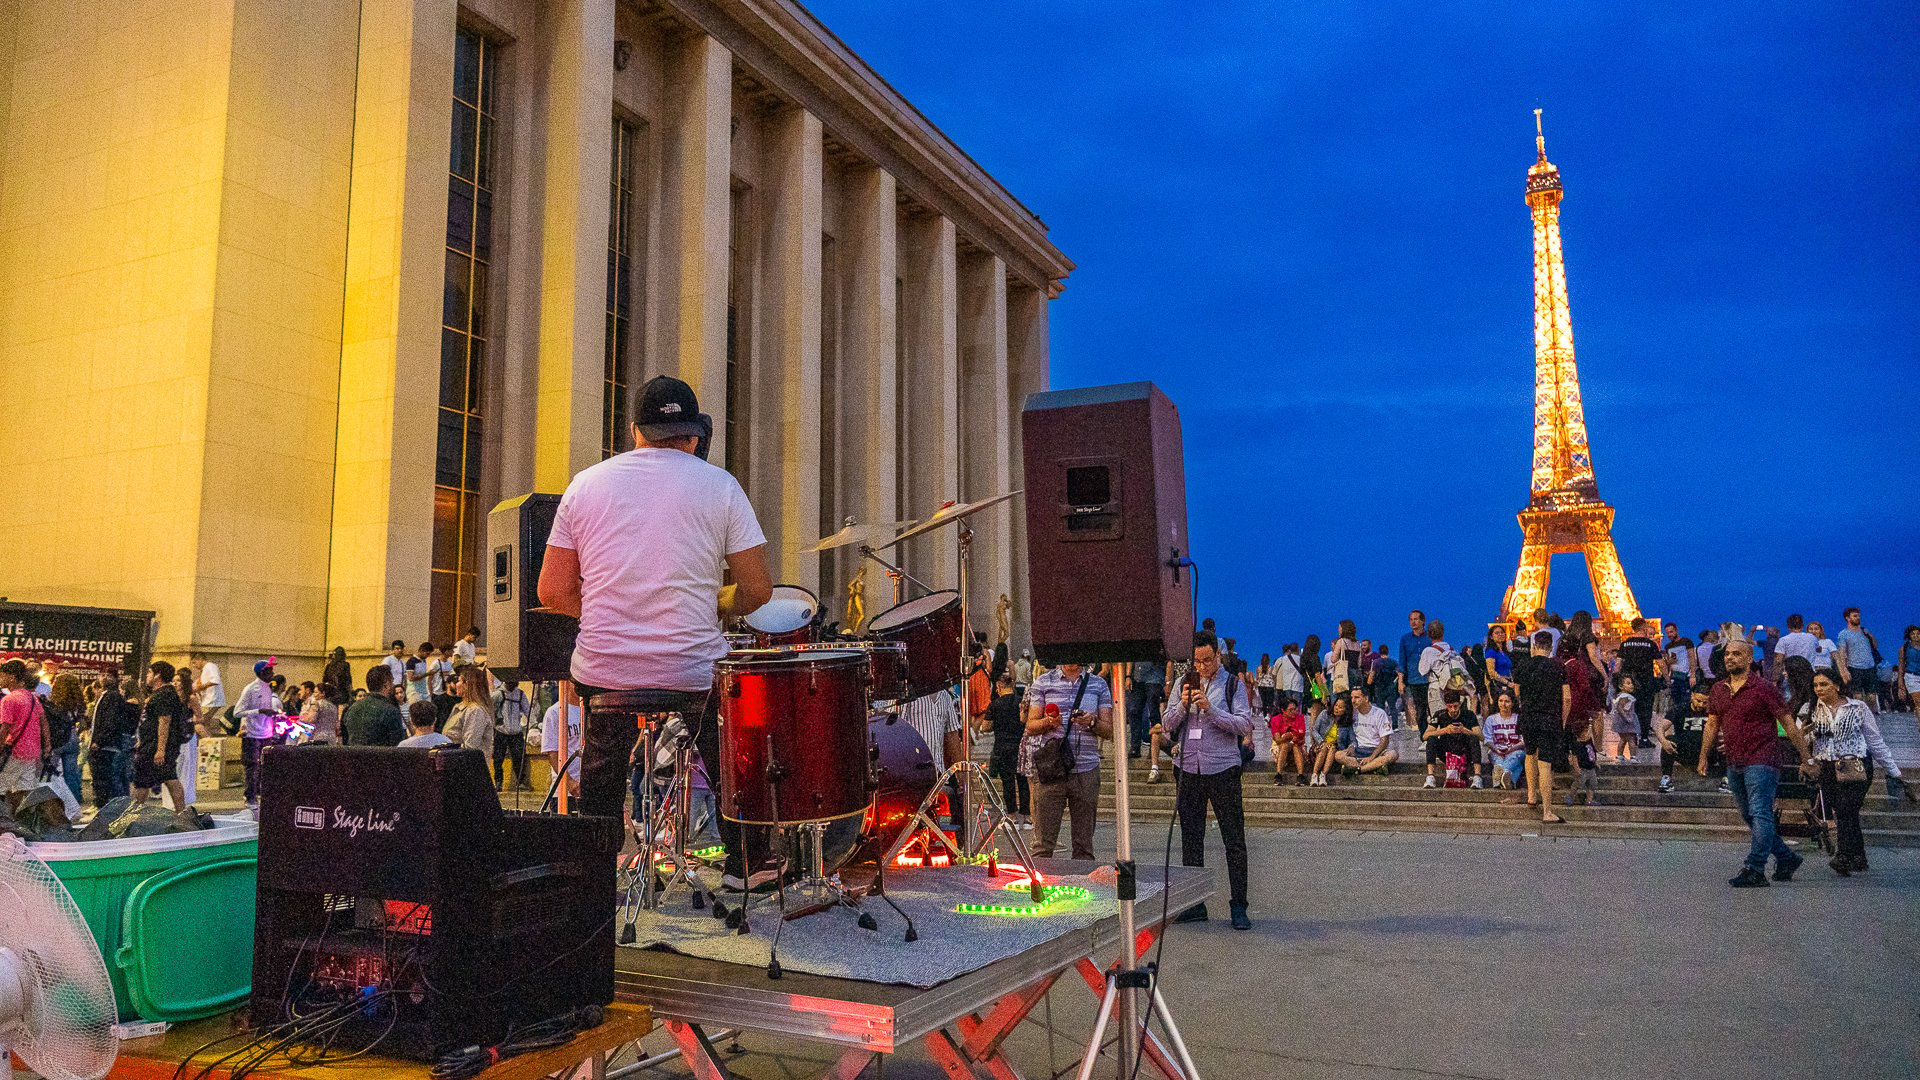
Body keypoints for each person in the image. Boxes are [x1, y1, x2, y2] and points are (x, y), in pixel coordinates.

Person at [536, 374, 773, 889]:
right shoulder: (720, 486)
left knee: (603, 748)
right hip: (690, 669)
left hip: (605, 667)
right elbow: (758, 590)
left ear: (634, 432)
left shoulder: (585, 483)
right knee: (727, 739)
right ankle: (746, 865)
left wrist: (603, 608)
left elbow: (550, 591)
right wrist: (715, 601)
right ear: (693, 436)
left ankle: (594, 866)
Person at [1700, 639, 1814, 887]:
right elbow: (1711, 724)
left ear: (1750, 659)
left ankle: (1755, 868)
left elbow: (1789, 726)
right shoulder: (1719, 689)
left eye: (1737, 654)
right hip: (1734, 759)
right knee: (1749, 815)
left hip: (1763, 758)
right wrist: (1703, 756)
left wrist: (1807, 758)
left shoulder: (1764, 688)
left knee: (1761, 812)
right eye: (1728, 654)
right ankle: (1786, 857)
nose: (1730, 658)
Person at [1165, 633, 1254, 929]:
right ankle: (1194, 904)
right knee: (1191, 838)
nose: (1202, 666)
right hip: (1189, 767)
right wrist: (1182, 706)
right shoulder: (1183, 683)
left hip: (1223, 768)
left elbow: (1244, 724)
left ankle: (1238, 906)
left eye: (1207, 659)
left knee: (1233, 839)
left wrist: (1210, 709)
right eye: (1197, 660)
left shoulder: (1233, 684)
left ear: (1218, 654)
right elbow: (1166, 724)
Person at [1024, 661, 1113, 861]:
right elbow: (1030, 725)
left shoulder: (1098, 684)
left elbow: (1110, 731)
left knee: (1084, 845)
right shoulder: (1043, 682)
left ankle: (1083, 887)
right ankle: (1039, 888)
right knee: (1043, 844)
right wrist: (1049, 722)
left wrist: (1092, 722)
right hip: (1052, 769)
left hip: (1086, 768)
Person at [1804, 669, 1872, 876]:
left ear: (1836, 685)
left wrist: (1893, 770)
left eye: (1823, 684)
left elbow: (1874, 739)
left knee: (1845, 808)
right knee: (1845, 811)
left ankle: (1843, 855)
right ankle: (1858, 856)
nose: (1819, 689)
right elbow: (1806, 740)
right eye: (1816, 685)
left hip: (1856, 765)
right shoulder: (1812, 709)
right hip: (1827, 767)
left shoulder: (1857, 707)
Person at [1513, 630, 1569, 823]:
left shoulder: (1523, 665)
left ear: (1534, 646)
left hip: (1528, 717)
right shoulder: (1558, 667)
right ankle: (1547, 812)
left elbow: (1517, 691)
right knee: (1545, 763)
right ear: (1551, 647)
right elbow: (1567, 697)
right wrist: (1562, 719)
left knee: (1530, 753)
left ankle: (1531, 796)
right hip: (1549, 718)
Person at [132, 661, 191, 811]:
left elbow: (164, 721)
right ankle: (180, 811)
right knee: (162, 778)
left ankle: (134, 813)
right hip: (150, 743)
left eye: (150, 673)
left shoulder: (165, 695)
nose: (147, 676)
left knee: (154, 779)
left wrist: (160, 749)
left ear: (158, 675)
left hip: (156, 746)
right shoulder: (160, 694)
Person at [981, 674, 1029, 822]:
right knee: (1023, 781)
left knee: (1007, 782)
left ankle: (1012, 815)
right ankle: (1027, 816)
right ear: (1012, 685)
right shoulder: (1020, 702)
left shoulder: (995, 704)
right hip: (1020, 746)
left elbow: (985, 727)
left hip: (1002, 747)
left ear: (998, 686)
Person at [235, 660, 280, 809]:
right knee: (252, 767)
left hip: (266, 733)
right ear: (262, 673)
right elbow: (238, 712)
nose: (272, 675)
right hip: (252, 734)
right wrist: (258, 712)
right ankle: (250, 797)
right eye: (270, 672)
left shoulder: (268, 689)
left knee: (265, 767)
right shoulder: (250, 689)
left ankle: (262, 795)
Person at [0, 660, 47, 795]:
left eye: (2, 676)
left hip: (15, 751)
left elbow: (5, 728)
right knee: (25, 790)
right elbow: (43, 723)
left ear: (12, 677)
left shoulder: (8, 700)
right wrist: (47, 747)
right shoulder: (32, 698)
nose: (1, 679)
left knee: (2, 787)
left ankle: (5, 816)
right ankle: (25, 815)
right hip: (32, 751)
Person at [87, 676, 137, 803]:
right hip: (115, 741)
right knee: (119, 774)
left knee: (112, 774)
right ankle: (119, 802)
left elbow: (110, 721)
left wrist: (99, 740)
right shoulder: (113, 697)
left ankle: (116, 803)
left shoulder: (112, 698)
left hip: (111, 742)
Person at [1615, 617, 1661, 747]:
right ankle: (1644, 739)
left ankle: (1632, 738)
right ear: (1643, 627)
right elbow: (1660, 663)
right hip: (1646, 682)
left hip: (1630, 683)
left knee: (1631, 710)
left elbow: (1618, 664)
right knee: (1645, 710)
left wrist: (1617, 681)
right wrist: (1666, 679)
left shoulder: (1625, 644)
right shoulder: (1650, 644)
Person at [1423, 689, 1482, 788]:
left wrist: (1464, 730)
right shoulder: (1439, 715)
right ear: (1446, 705)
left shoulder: (1469, 715)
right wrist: (1444, 730)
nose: (1453, 710)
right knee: (1431, 739)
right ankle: (1430, 776)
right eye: (1450, 707)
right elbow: (1425, 736)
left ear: (1459, 704)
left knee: (1474, 738)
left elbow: (1481, 737)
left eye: (1455, 706)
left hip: (1464, 750)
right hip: (1446, 750)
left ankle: (1477, 776)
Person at [1334, 685, 1397, 775]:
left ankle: (1359, 770)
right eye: (1352, 697)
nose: (1353, 701)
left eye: (1356, 697)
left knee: (1392, 754)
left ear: (1366, 698)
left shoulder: (1379, 713)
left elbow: (1385, 740)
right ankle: (1374, 767)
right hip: (1359, 750)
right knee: (1338, 755)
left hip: (1376, 750)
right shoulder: (1352, 714)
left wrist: (1372, 757)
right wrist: (1351, 746)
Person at [342, 665, 407, 747]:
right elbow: (397, 745)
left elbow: (345, 738)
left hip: (354, 758)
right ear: (386, 685)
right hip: (380, 758)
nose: (393, 686)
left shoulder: (352, 708)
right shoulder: (390, 711)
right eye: (392, 682)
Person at [443, 664, 495, 757]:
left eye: (458, 681)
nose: (456, 684)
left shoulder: (475, 711)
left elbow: (470, 747)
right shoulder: (460, 707)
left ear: (467, 684)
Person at [1482, 691, 1526, 791]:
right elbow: (1487, 739)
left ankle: (1499, 775)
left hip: (1516, 750)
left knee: (1514, 757)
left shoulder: (1518, 718)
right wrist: (1496, 749)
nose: (1503, 704)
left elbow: (1524, 740)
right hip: (1496, 751)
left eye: (1507, 701)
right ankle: (1508, 780)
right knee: (1517, 766)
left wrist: (1511, 749)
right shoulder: (1491, 719)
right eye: (1501, 701)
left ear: (1512, 703)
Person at [540, 695, 584, 796]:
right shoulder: (554, 712)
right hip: (565, 792)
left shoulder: (590, 709)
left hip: (589, 788)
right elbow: (552, 754)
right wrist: (569, 782)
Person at [1398, 610, 1432, 733]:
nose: (1413, 622)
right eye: (1411, 619)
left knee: (1433, 709)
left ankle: (1436, 736)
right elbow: (1402, 661)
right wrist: (1400, 681)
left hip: (1430, 678)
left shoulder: (1430, 637)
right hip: (1414, 679)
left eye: (1416, 619)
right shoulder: (1405, 639)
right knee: (1420, 710)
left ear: (1423, 621)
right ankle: (1424, 737)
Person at [1834, 607, 1880, 701]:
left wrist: (1871, 636)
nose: (1858, 618)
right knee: (1857, 697)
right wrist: (1844, 670)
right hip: (1854, 668)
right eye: (1855, 616)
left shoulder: (1864, 631)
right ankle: (1859, 715)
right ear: (1848, 618)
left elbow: (1875, 646)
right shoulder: (1843, 634)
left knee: (1872, 697)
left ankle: (1870, 715)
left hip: (1870, 667)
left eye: (1859, 616)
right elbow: (1842, 652)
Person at [494, 678, 531, 790]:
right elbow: (490, 710)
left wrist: (533, 725)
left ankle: (520, 782)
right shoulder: (497, 695)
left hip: (516, 731)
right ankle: (498, 782)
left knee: (519, 758)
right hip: (501, 731)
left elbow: (528, 711)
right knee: (498, 759)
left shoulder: (520, 694)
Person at [1125, 659, 1165, 760]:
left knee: (1153, 712)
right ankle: (1135, 747)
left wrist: (1168, 681)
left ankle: (1154, 748)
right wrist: (1128, 676)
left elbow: (1169, 660)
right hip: (1137, 677)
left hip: (1155, 675)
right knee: (1133, 710)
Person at [1270, 697, 1307, 785]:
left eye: (1295, 709)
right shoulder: (1276, 719)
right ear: (1283, 710)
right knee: (1285, 745)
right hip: (1280, 748)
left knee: (1295, 746)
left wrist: (1295, 739)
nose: (1294, 712)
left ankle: (1300, 775)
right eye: (1291, 710)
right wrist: (1286, 737)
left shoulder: (1300, 718)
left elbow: (1302, 738)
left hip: (1296, 747)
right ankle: (1278, 774)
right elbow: (1278, 740)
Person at [1606, 674, 1640, 764]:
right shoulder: (1626, 696)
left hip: (1621, 721)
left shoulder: (1621, 695)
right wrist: (1627, 717)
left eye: (1632, 683)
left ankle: (1620, 755)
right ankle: (1633, 756)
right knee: (1632, 739)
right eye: (1628, 683)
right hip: (1627, 721)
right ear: (1621, 686)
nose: (1631, 685)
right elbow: (1620, 708)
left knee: (1623, 739)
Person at [1565, 715, 1599, 807]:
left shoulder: (1589, 740)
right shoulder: (1577, 744)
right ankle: (1571, 796)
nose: (1588, 732)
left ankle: (1589, 800)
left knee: (1592, 784)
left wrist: (1595, 762)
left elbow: (1592, 751)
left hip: (1591, 767)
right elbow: (1574, 757)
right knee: (1578, 783)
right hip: (1582, 768)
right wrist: (1576, 768)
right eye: (1586, 730)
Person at [1306, 697, 1340, 786]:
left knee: (1332, 748)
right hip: (1321, 744)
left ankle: (1323, 775)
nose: (1337, 708)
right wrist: (1321, 741)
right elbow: (1314, 730)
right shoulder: (1325, 714)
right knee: (1324, 747)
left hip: (1335, 747)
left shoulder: (1345, 721)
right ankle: (1314, 775)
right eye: (1336, 706)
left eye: (1340, 707)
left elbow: (1351, 739)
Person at [1483, 626, 1514, 700]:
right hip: (1498, 684)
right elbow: (1491, 672)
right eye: (1497, 633)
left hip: (1508, 683)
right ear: (1491, 637)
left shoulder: (1504, 652)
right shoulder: (1491, 652)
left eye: (1502, 632)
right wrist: (1507, 683)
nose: (1500, 635)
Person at [1278, 644, 1306, 708]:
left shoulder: (1283, 659)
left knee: (1289, 706)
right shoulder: (1301, 659)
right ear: (1298, 650)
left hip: (1286, 685)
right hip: (1298, 686)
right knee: (1297, 706)